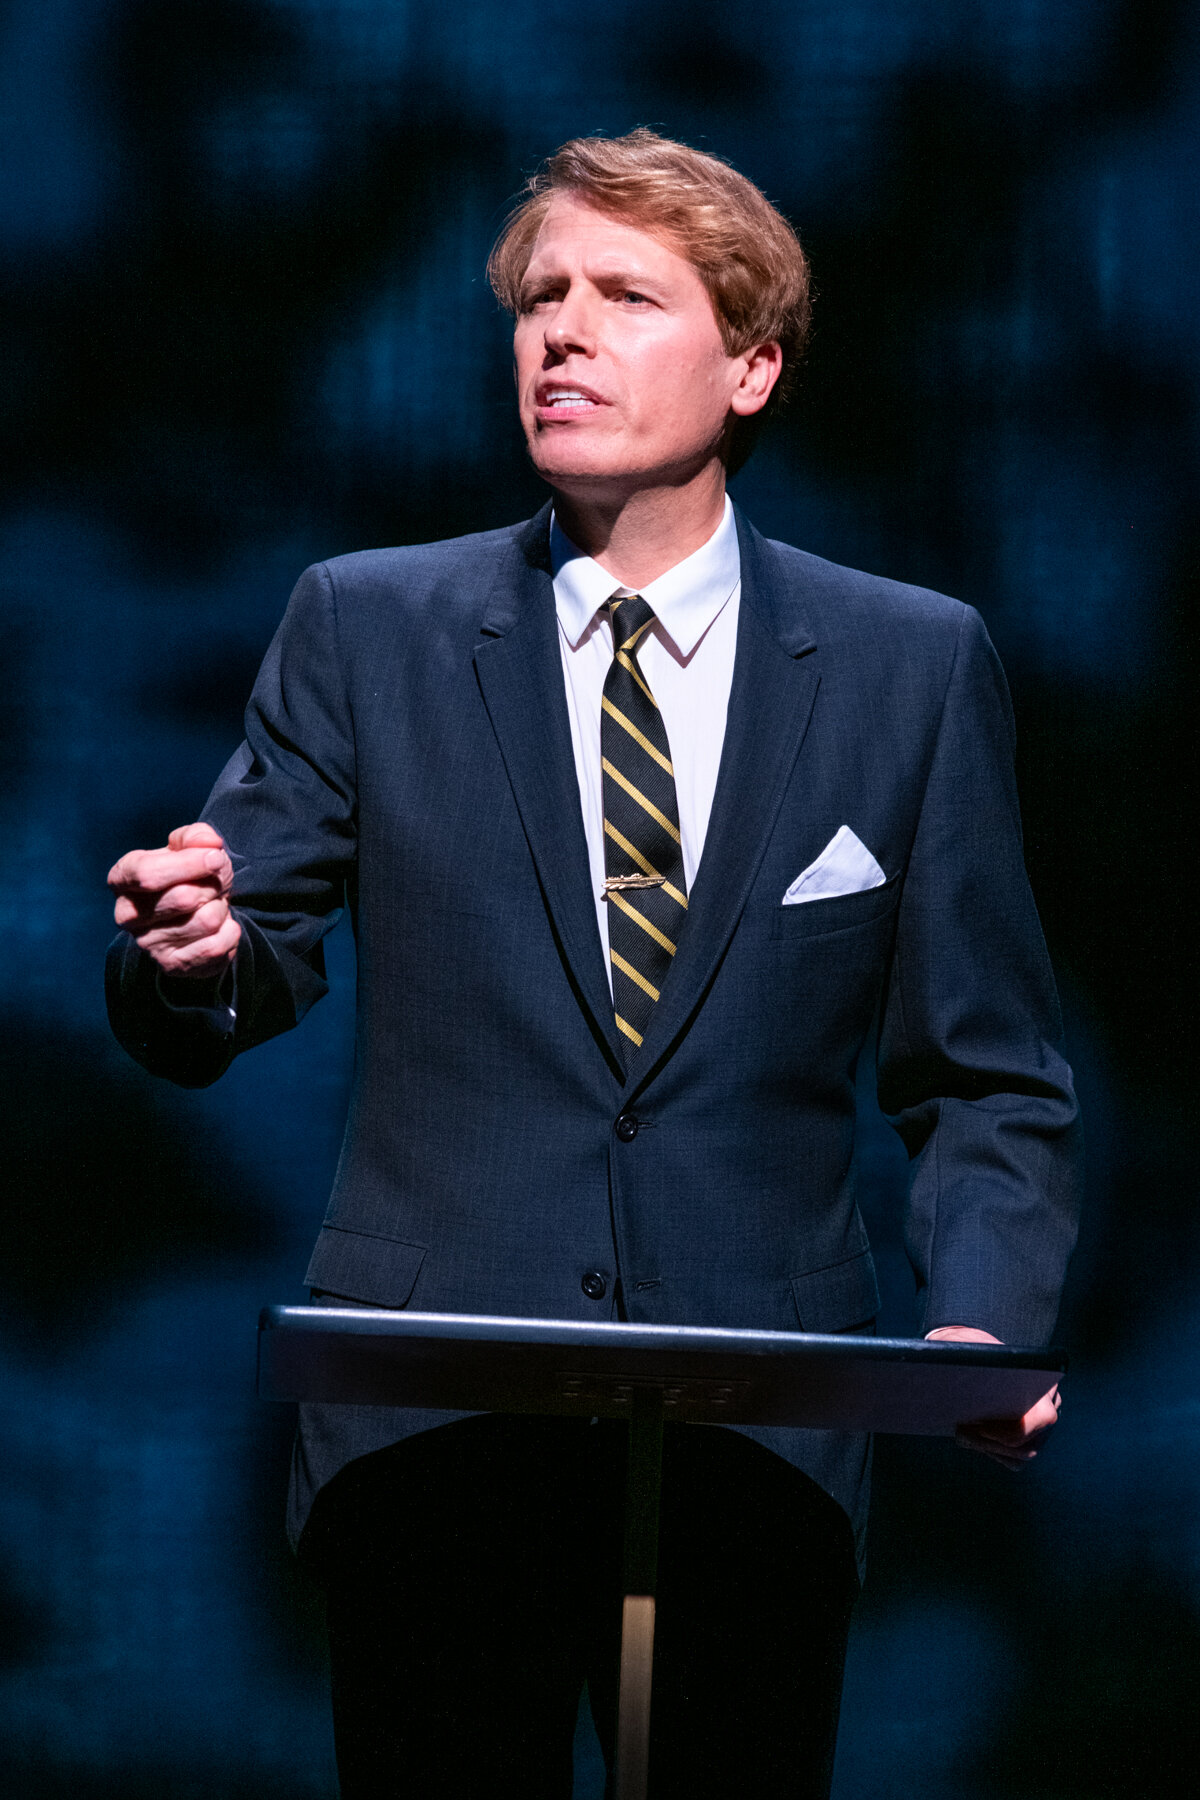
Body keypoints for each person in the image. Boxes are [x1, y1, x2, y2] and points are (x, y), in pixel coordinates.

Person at [106, 130, 1081, 1799]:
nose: (561, 331)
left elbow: (985, 1066)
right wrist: (195, 952)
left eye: (626, 296)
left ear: (752, 367)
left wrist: (987, 1319)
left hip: (759, 1445)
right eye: (540, 297)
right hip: (430, 1437)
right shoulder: (369, 624)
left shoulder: (909, 665)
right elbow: (238, 953)